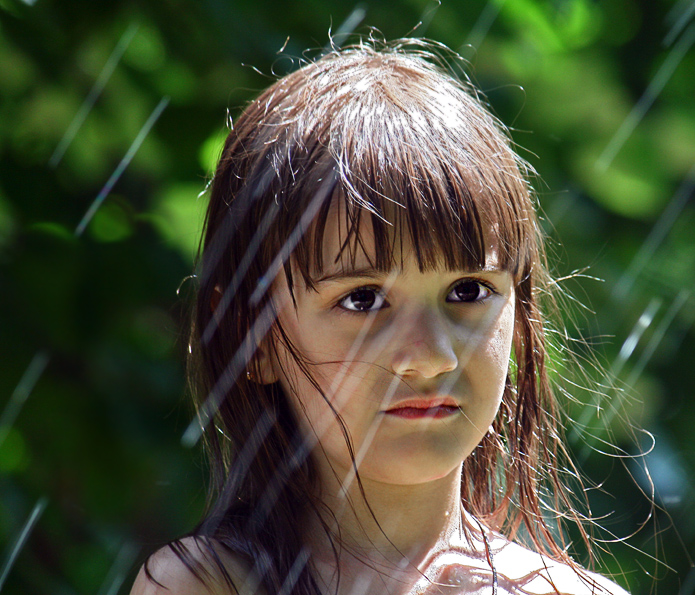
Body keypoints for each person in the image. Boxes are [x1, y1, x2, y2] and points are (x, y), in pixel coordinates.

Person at [130, 39, 630, 595]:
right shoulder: (206, 586)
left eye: (468, 290)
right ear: (254, 337)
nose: (430, 356)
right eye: (363, 300)